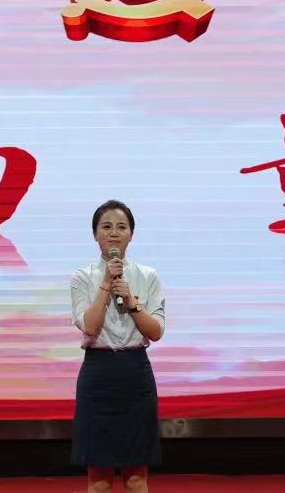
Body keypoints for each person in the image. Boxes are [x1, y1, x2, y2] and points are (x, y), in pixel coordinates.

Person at [70, 199, 166, 493]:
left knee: (136, 477)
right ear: (95, 234)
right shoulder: (82, 277)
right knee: (99, 479)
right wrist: (105, 285)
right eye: (106, 227)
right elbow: (90, 326)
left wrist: (132, 302)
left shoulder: (147, 276)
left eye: (121, 227)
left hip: (135, 373)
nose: (114, 233)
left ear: (131, 234)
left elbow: (156, 332)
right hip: (98, 373)